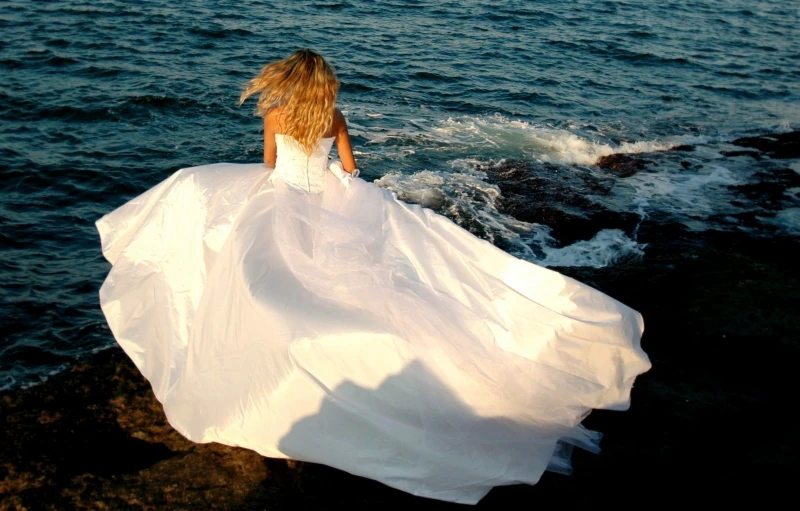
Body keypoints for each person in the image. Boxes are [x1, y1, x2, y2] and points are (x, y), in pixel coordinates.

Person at [96, 49, 651, 504]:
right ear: (326, 86)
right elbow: (351, 169)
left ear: (290, 81)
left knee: (263, 264)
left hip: (284, 198)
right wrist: (341, 185)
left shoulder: (275, 115)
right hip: (323, 197)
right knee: (332, 268)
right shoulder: (332, 118)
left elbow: (269, 167)